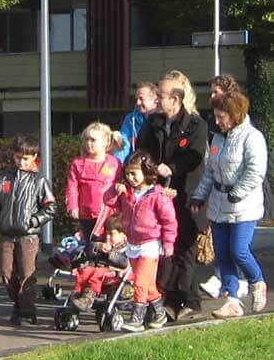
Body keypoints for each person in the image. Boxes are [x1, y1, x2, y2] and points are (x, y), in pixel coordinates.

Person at [189, 91, 268, 319]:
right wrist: (199, 196)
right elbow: (210, 172)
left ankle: (257, 281)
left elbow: (256, 171)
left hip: (244, 206)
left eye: (221, 117)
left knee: (239, 251)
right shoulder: (218, 139)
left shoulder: (252, 137)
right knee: (223, 254)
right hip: (218, 204)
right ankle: (232, 300)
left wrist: (238, 193)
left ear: (234, 115)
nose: (217, 121)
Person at [137, 70, 208, 321]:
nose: (157, 99)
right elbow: (142, 149)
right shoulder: (153, 123)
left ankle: (185, 300)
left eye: (161, 95)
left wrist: (173, 168)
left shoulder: (196, 125)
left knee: (184, 248)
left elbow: (194, 157)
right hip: (160, 193)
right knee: (167, 247)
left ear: (176, 99)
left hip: (186, 193)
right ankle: (175, 299)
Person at [104, 151, 177, 332]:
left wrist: (168, 243)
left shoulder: (158, 195)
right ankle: (159, 313)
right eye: (128, 174)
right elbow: (109, 202)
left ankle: (137, 318)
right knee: (147, 284)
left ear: (147, 172)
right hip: (133, 244)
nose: (131, 178)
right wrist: (116, 190)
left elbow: (169, 221)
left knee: (140, 282)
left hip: (150, 244)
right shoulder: (127, 193)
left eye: (134, 173)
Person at [0, 134, 56, 325]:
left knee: (27, 273)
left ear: (34, 157)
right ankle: (17, 304)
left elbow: (50, 207)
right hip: (7, 234)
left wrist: (33, 222)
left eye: (25, 158)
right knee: (6, 272)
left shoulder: (39, 180)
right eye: (18, 157)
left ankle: (27, 309)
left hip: (28, 236)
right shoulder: (3, 178)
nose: (21, 162)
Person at [66, 122, 123, 239]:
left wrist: (121, 186)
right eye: (86, 140)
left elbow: (122, 181)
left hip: (109, 214)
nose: (88, 143)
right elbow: (72, 187)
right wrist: (73, 206)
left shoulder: (115, 163)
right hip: (86, 214)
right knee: (90, 247)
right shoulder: (78, 164)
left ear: (105, 142)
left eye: (93, 140)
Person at [70, 214, 129, 312]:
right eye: (107, 234)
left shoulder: (126, 249)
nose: (108, 237)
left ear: (123, 235)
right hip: (101, 270)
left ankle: (88, 297)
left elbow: (124, 263)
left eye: (112, 234)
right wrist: (98, 248)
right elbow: (90, 252)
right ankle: (77, 293)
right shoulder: (105, 244)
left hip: (115, 274)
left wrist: (110, 254)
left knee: (98, 274)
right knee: (84, 271)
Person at [114, 82, 159, 163]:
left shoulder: (163, 119)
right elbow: (124, 143)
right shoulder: (130, 119)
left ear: (155, 100)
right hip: (134, 164)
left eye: (141, 99)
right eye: (137, 99)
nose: (138, 103)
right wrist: (118, 164)